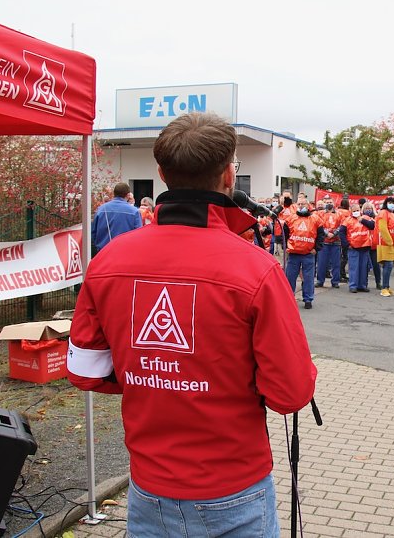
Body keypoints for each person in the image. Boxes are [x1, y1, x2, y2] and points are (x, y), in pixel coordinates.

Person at [67, 112, 316, 537]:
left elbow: (85, 369)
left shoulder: (107, 262)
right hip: (236, 491)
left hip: (149, 492)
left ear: (162, 174)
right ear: (228, 175)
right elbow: (290, 394)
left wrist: (150, 372)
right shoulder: (257, 270)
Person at [284, 200, 325, 309]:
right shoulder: (290, 219)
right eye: (299, 204)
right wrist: (286, 247)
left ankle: (308, 299)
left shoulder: (315, 219)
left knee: (308, 278)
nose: (301, 206)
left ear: (308, 206)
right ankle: (288, 298)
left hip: (308, 254)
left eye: (304, 204)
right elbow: (284, 234)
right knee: (290, 277)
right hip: (293, 254)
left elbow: (321, 235)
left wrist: (317, 248)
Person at [91, 182, 142, 252]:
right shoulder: (134, 212)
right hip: (125, 252)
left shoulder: (101, 209)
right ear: (128, 195)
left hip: (103, 252)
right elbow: (138, 236)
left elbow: (93, 233)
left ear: (114, 194)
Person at [339, 202, 374, 293]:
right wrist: (346, 245)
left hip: (365, 246)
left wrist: (361, 220)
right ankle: (353, 285)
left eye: (358, 210)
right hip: (353, 247)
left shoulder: (365, 218)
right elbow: (342, 233)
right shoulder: (347, 220)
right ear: (351, 211)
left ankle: (362, 285)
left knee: (363, 268)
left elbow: (372, 226)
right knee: (354, 268)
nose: (356, 212)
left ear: (360, 210)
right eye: (354, 211)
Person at [376, 196, 394, 297]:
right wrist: (389, 241)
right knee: (388, 265)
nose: (392, 204)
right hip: (386, 243)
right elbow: (382, 228)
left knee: (390, 265)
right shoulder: (383, 213)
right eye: (390, 202)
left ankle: (387, 286)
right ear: (386, 203)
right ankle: (384, 288)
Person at [315, 199, 342, 289]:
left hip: (336, 241)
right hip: (324, 242)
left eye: (330, 202)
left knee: (336, 263)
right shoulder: (320, 214)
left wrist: (334, 233)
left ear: (333, 203)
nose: (329, 204)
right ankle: (320, 281)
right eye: (327, 202)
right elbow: (319, 225)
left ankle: (335, 281)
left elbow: (341, 226)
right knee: (322, 263)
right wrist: (327, 233)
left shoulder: (339, 214)